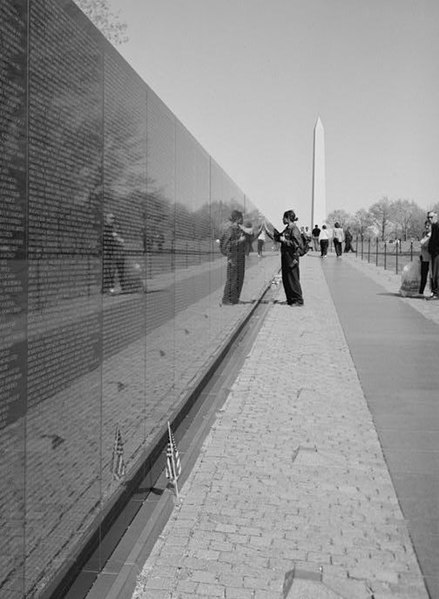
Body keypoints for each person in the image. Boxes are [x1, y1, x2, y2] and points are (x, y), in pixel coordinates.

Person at [273, 210, 304, 306]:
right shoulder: (287, 228)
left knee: (293, 278)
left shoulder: (294, 229)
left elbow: (296, 244)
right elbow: (278, 238)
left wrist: (284, 240)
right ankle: (290, 299)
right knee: (286, 278)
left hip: (292, 257)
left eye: (284, 218)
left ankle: (298, 300)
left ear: (288, 218)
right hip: (286, 256)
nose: (282, 219)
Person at [220, 210, 247, 305]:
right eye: (241, 218)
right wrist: (239, 241)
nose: (243, 219)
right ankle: (226, 299)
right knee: (232, 278)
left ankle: (235, 299)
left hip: (240, 257)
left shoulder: (238, 229)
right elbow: (225, 245)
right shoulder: (230, 230)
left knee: (239, 278)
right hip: (233, 258)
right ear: (238, 219)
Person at [427, 210, 439, 300]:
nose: (429, 219)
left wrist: (435, 250)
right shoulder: (434, 226)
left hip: (437, 253)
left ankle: (436, 293)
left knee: (436, 274)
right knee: (433, 273)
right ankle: (434, 292)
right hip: (433, 253)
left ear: (436, 216)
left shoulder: (437, 226)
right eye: (428, 217)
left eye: (431, 217)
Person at [419, 219, 431, 296]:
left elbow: (424, 244)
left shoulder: (433, 234)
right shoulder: (424, 233)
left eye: (428, 225)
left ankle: (433, 293)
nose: (426, 227)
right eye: (425, 225)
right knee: (423, 275)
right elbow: (422, 245)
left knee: (433, 277)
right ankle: (421, 292)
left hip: (431, 258)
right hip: (424, 257)